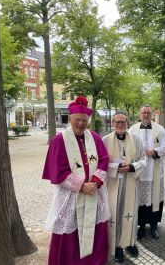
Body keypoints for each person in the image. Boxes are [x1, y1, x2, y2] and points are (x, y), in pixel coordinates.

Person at [42, 96, 110, 265]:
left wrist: (94, 183)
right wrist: (81, 186)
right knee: (70, 232)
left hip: (94, 192)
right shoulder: (59, 140)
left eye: (84, 120)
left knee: (94, 228)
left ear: (88, 120)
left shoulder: (94, 138)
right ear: (70, 118)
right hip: (71, 197)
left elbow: (103, 160)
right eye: (77, 120)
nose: (80, 124)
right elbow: (57, 171)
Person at [103, 111, 147, 263]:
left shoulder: (136, 140)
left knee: (130, 213)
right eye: (117, 122)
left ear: (127, 123)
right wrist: (115, 167)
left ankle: (129, 243)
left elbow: (144, 159)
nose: (120, 125)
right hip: (113, 184)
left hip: (130, 182)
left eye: (123, 122)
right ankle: (116, 247)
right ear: (112, 123)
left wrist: (132, 167)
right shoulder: (105, 140)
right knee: (114, 215)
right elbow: (101, 164)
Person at [129, 104, 165, 240]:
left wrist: (155, 151)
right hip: (139, 172)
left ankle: (153, 226)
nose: (146, 115)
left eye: (148, 113)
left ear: (152, 115)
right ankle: (140, 226)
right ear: (140, 115)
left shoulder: (160, 129)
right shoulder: (133, 129)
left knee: (154, 199)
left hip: (154, 169)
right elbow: (128, 147)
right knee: (140, 199)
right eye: (143, 113)